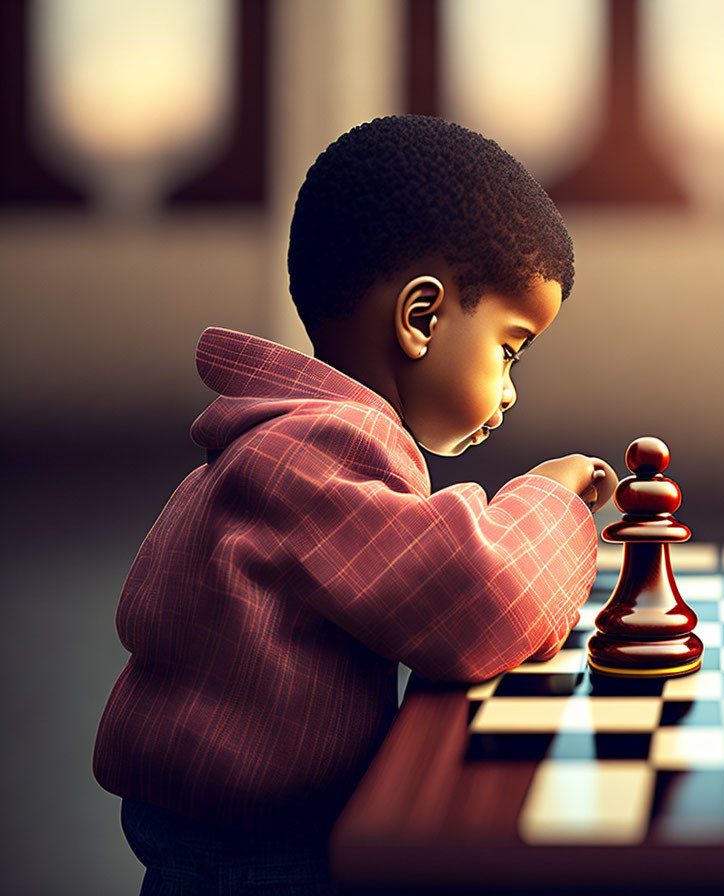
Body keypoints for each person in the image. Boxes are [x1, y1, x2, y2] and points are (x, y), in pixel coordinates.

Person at [94, 115, 618, 895]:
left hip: (225, 833)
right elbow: (482, 599)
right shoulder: (319, 451)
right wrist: (552, 495)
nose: (508, 393)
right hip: (263, 851)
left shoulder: (285, 440)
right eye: (508, 350)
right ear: (421, 317)